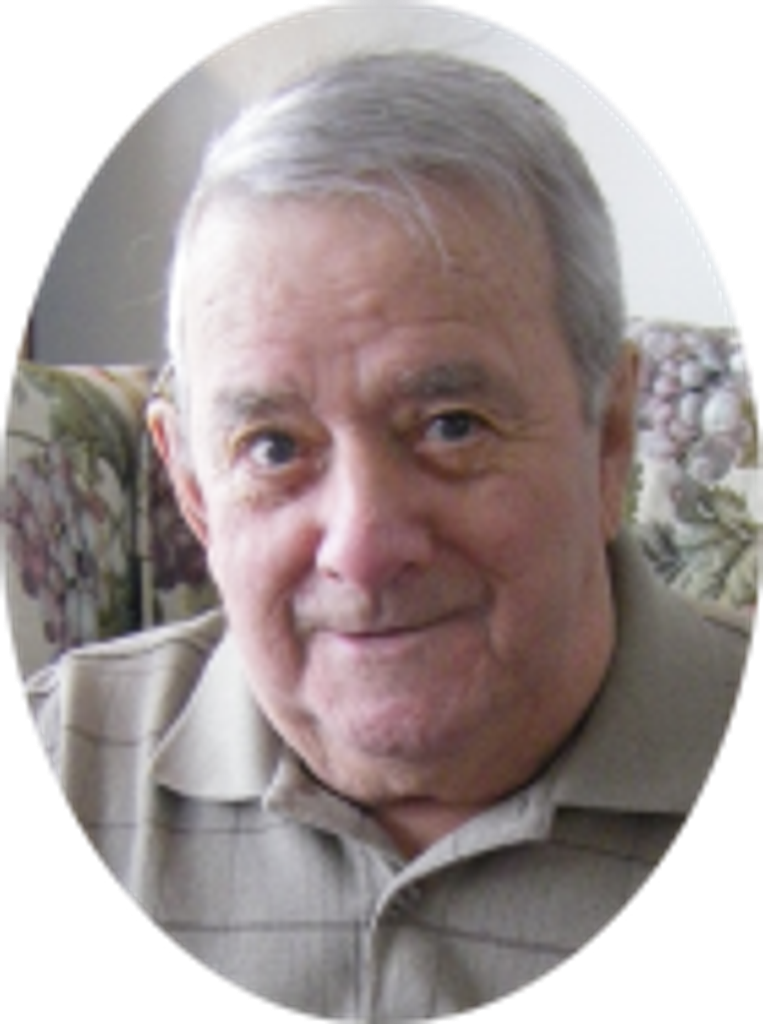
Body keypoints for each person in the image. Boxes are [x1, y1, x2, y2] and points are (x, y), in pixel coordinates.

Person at [21, 52, 754, 1019]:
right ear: (192, 489)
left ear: (608, 434)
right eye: (273, 447)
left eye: (451, 426)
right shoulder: (66, 756)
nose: (362, 550)